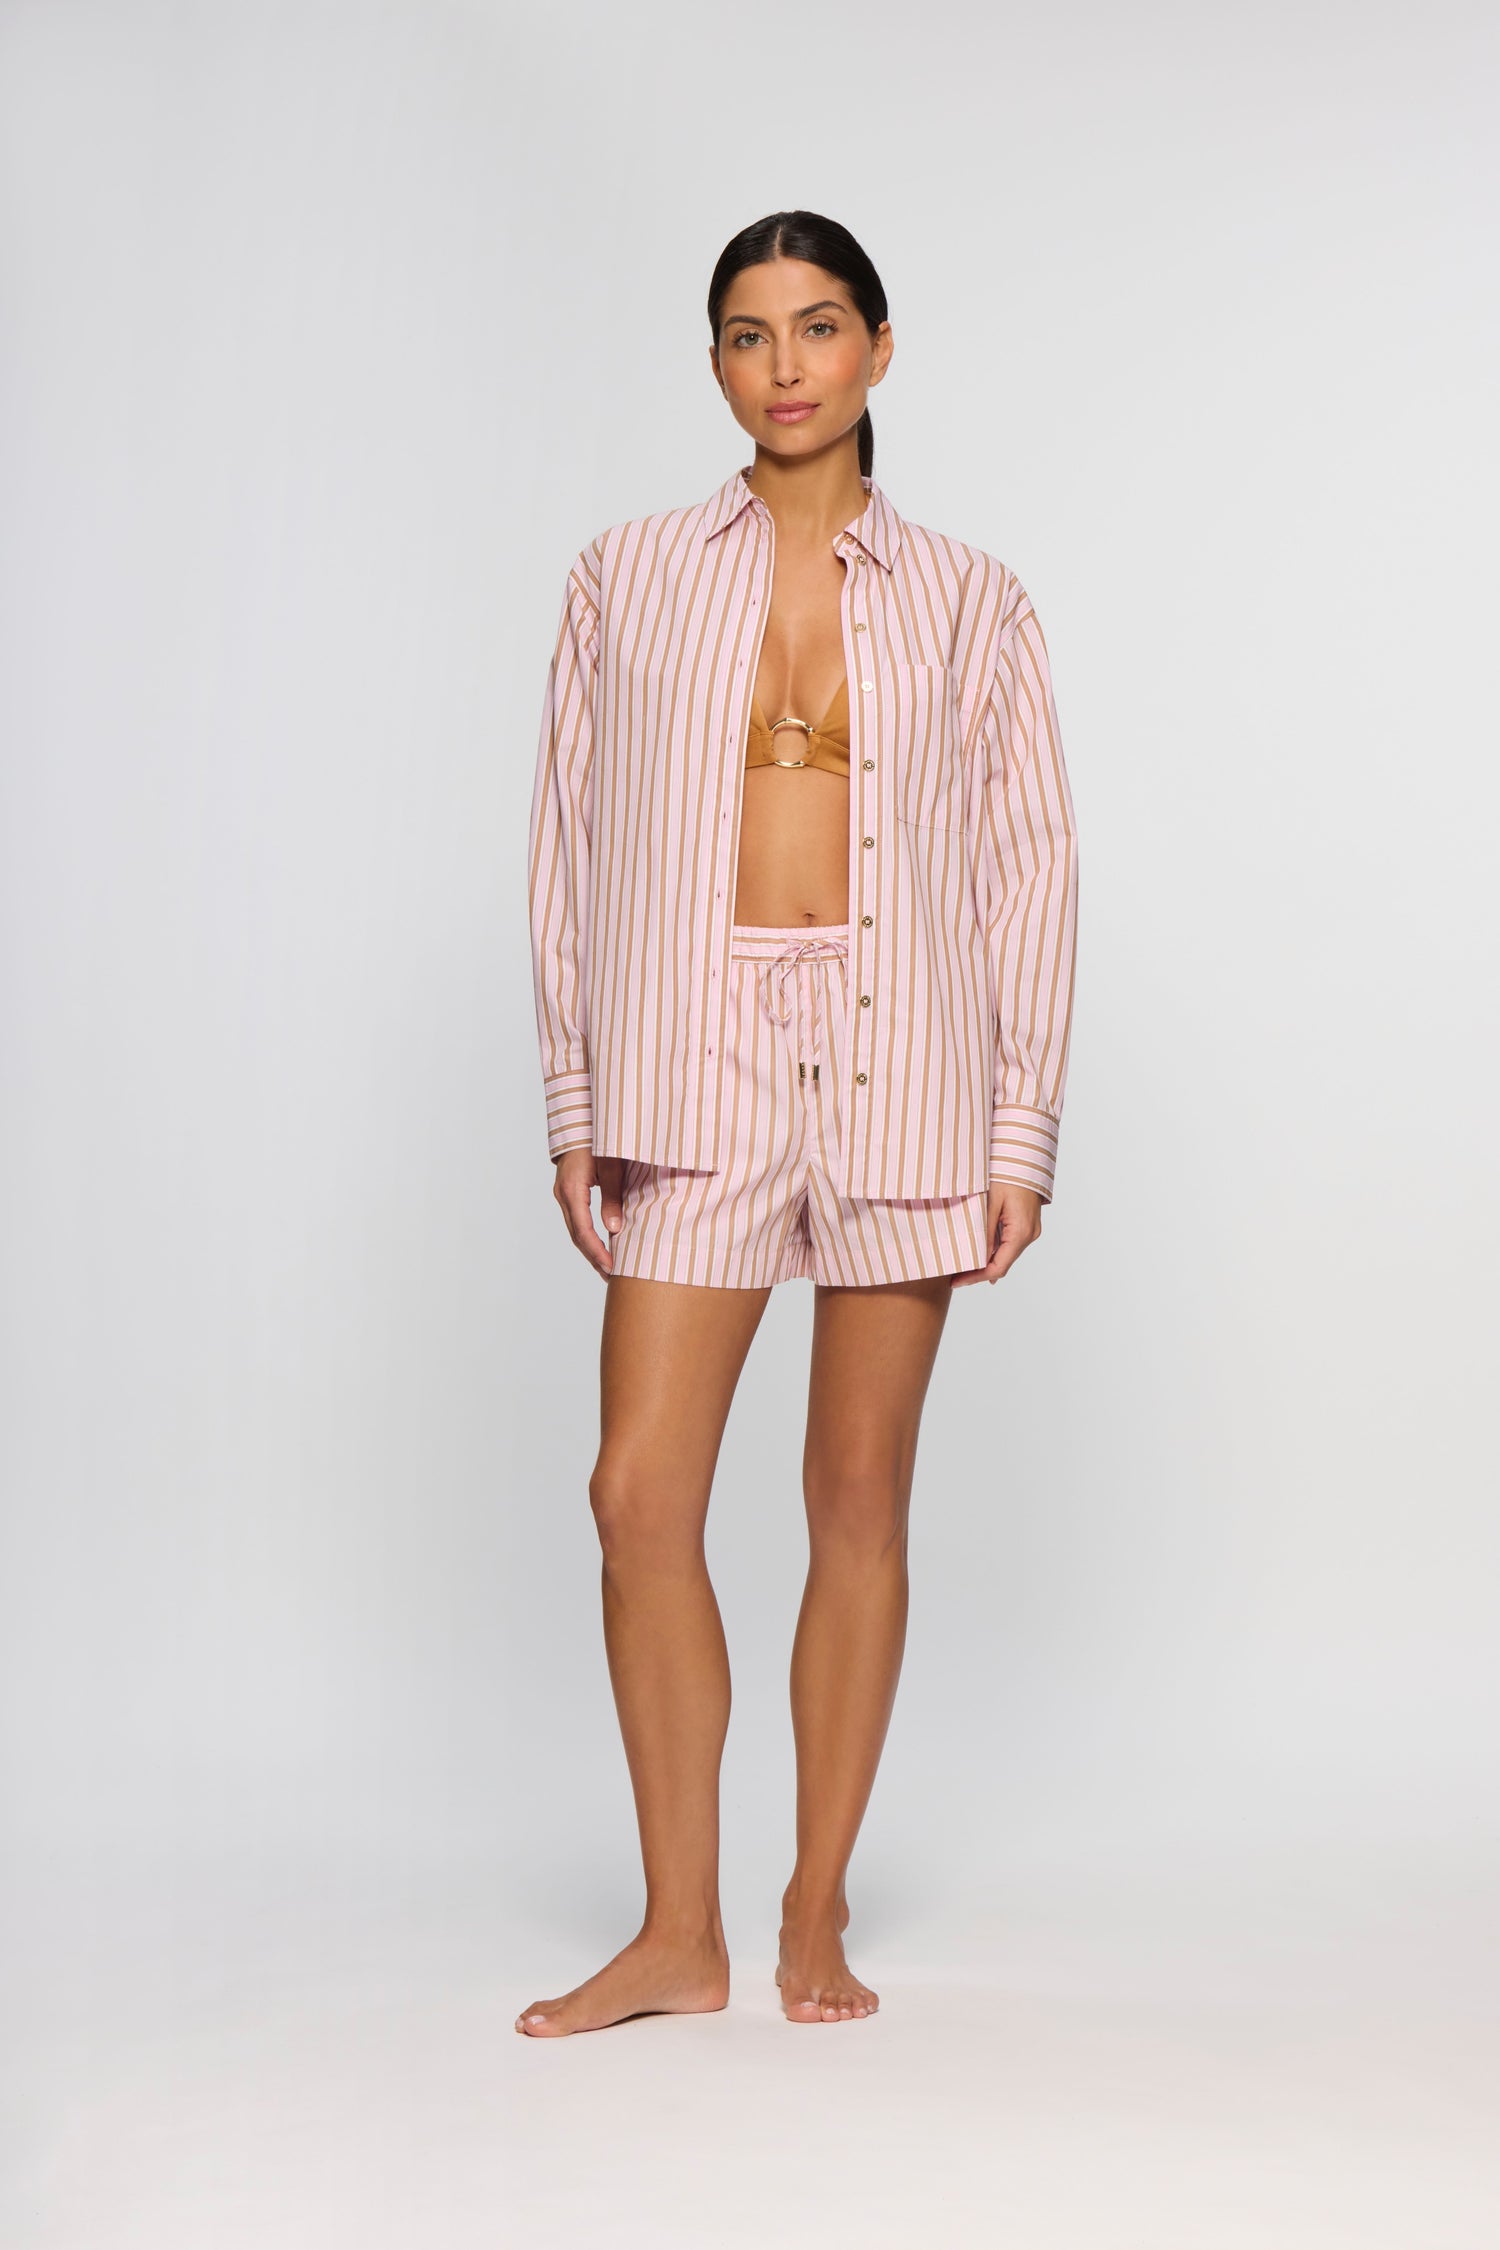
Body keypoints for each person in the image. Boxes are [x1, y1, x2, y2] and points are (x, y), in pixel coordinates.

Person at [517, 210, 1079, 2035]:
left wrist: (1020, 1125)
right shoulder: (622, 577)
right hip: (693, 1056)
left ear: (879, 351)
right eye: (751, 335)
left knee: (856, 1494)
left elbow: (1029, 868)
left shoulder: (977, 599)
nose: (786, 366)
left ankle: (811, 1905)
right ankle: (676, 1928)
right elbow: (567, 841)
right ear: (715, 366)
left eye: (819, 327)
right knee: (636, 1492)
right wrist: (577, 1088)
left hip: (903, 1052)